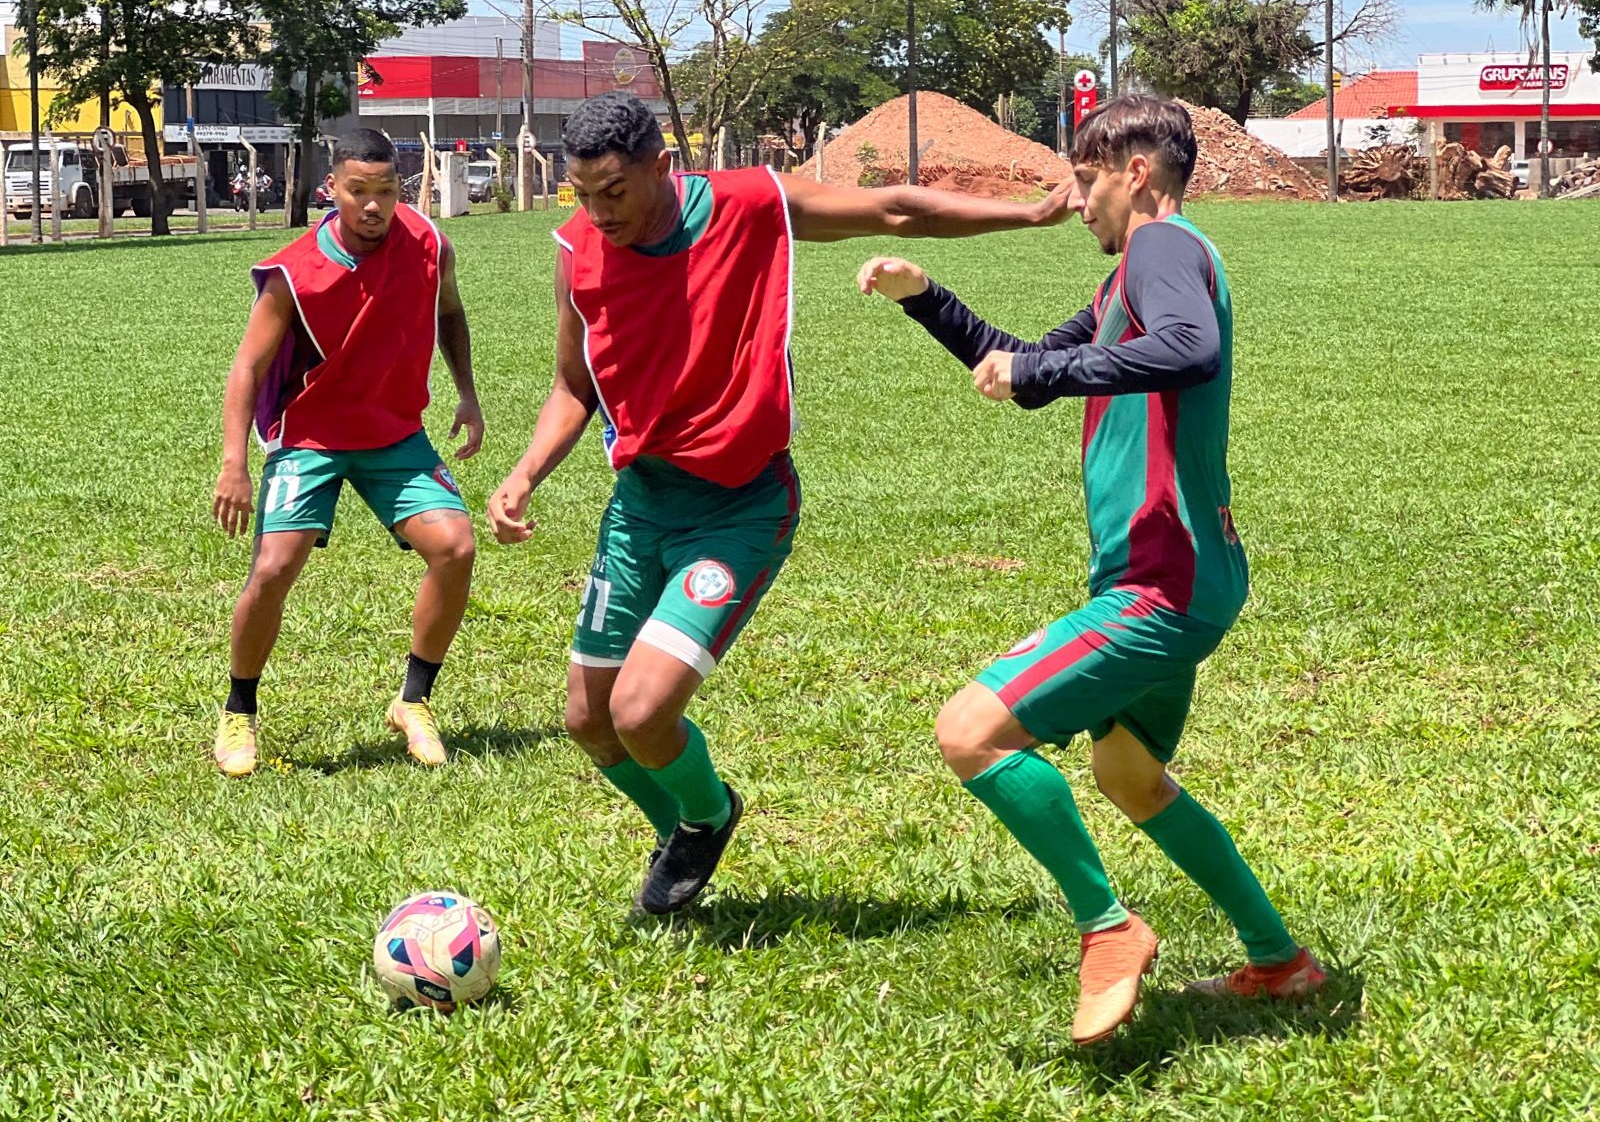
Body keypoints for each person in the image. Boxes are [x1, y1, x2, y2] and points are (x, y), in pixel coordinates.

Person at [487, 91, 1077, 915]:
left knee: (643, 711)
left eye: (614, 191)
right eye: (583, 194)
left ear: (663, 165)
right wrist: (523, 474)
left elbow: (893, 209)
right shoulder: (577, 249)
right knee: (590, 721)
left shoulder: (749, 205)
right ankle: (692, 829)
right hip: (640, 502)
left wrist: (1028, 216)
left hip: (740, 505)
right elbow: (571, 386)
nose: (598, 213)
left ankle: (707, 812)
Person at [857, 95, 1324, 1045]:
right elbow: (1024, 365)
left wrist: (1043, 376)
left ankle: (1110, 930)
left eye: (1086, 179)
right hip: (1190, 573)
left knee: (969, 733)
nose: (1078, 202)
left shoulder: (1164, 249)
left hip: (1162, 580)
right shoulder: (1131, 286)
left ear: (1135, 174)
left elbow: (1189, 352)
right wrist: (924, 297)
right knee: (1129, 773)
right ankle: (1281, 963)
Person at [210, 128, 484, 777]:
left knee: (456, 548)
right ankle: (239, 712)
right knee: (275, 567)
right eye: (357, 191)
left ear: (400, 190)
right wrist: (234, 463)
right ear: (331, 189)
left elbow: (450, 314)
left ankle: (414, 701)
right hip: (312, 439)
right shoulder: (296, 272)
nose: (372, 206)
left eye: (385, 192)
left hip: (395, 434)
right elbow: (247, 368)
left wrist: (468, 394)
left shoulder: (428, 243)